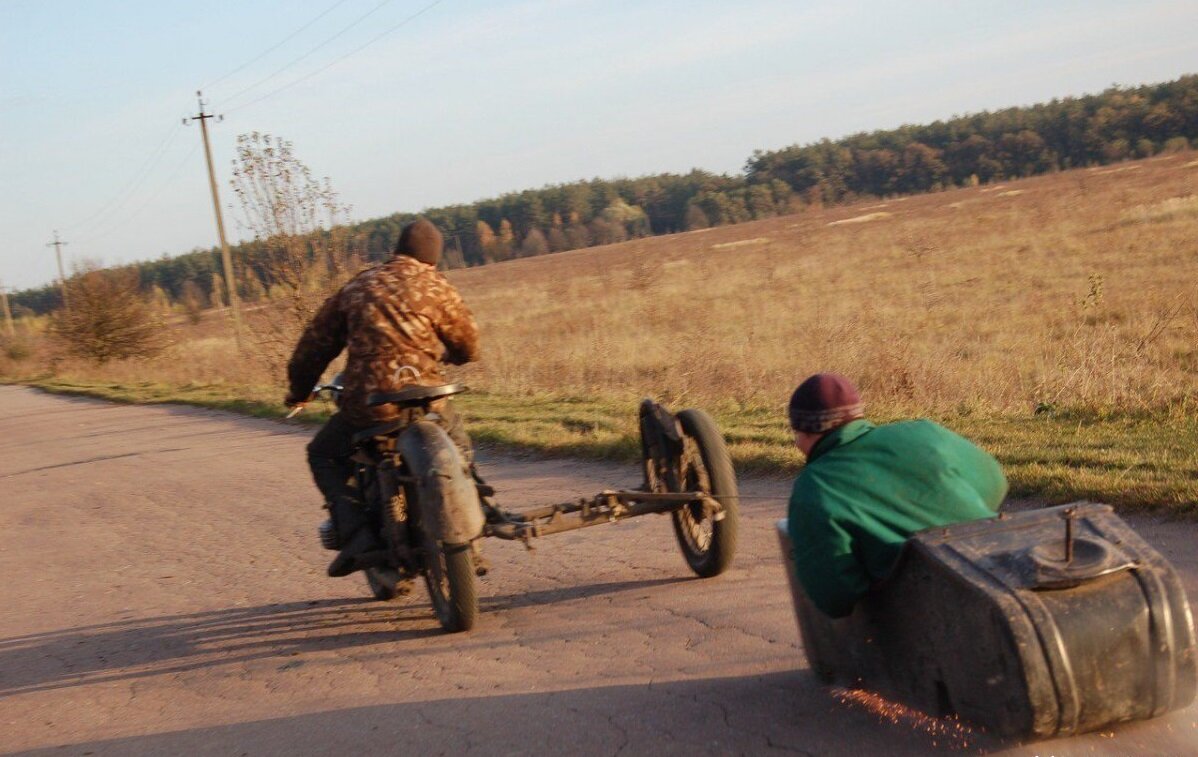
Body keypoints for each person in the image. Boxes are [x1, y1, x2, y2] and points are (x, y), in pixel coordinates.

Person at [285, 218, 480, 578]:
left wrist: (299, 392)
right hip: (428, 397)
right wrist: (453, 356)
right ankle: (476, 517)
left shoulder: (359, 287)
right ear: (432, 260)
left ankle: (357, 536)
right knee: (459, 445)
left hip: (369, 403)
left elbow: (314, 347)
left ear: (397, 251)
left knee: (323, 454)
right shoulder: (437, 286)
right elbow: (468, 344)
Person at [786, 373, 1007, 618]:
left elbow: (834, 597)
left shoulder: (814, 487)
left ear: (805, 432)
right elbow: (995, 481)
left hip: (924, 611)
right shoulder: (925, 432)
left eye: (795, 434)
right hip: (998, 569)